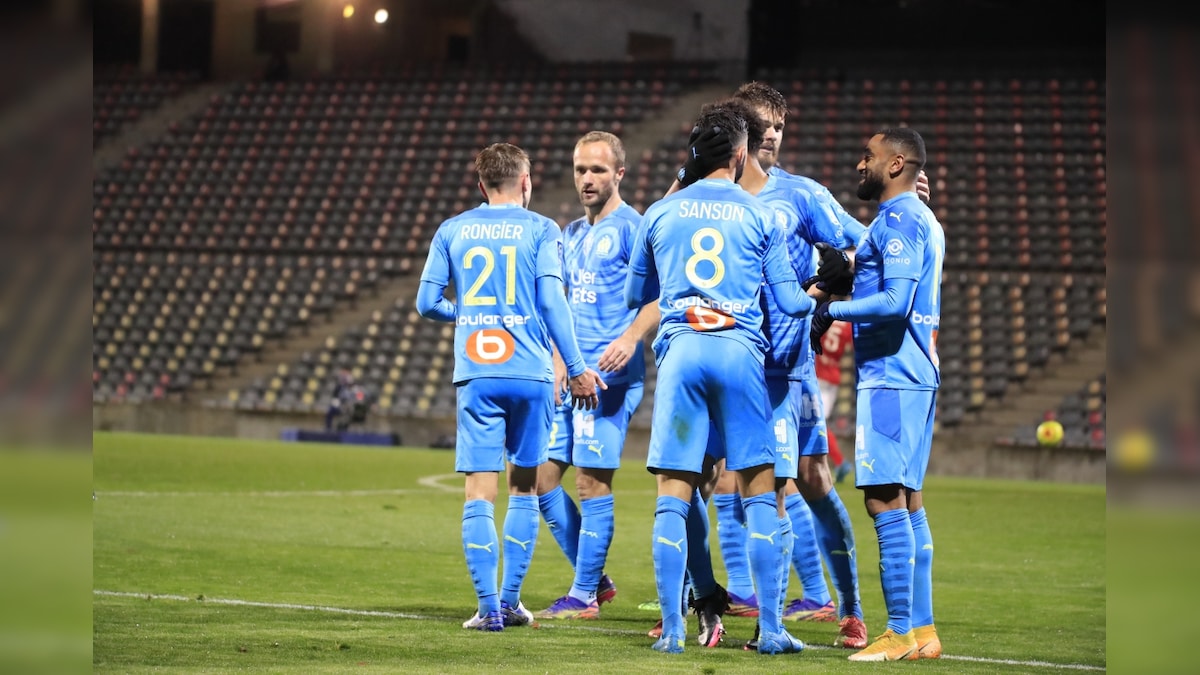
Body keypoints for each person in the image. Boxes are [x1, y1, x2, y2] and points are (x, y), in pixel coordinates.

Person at [625, 102, 813, 655]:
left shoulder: (661, 213)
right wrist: (825, 287)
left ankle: (676, 631)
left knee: (673, 497)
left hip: (682, 351)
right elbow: (789, 303)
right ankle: (774, 629)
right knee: (758, 492)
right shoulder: (761, 215)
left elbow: (639, 295)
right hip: (738, 352)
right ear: (739, 154)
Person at [415, 142, 606, 632]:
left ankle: (487, 610)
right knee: (524, 489)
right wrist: (579, 366)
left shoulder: (452, 230)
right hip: (531, 374)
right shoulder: (542, 229)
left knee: (479, 491)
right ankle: (510, 601)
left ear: (481, 185)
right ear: (526, 183)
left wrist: (467, 315)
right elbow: (552, 302)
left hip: (477, 373)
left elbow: (426, 302)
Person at [809, 127, 945, 661]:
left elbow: (893, 301)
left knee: (883, 500)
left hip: (891, 374)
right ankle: (925, 632)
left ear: (897, 165)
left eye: (869, 156)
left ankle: (898, 634)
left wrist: (827, 311)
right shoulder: (919, 218)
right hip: (914, 373)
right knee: (909, 504)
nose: (860, 164)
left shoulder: (899, 219)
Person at [533, 131, 661, 621]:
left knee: (590, 483)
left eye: (598, 170)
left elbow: (659, 296)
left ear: (619, 175)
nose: (587, 179)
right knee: (540, 479)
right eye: (581, 169)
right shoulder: (570, 234)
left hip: (609, 380)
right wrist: (561, 361)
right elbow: (561, 303)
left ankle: (584, 594)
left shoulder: (635, 228)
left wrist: (630, 339)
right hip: (570, 375)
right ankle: (595, 579)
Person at [816, 320, 854, 482]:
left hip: (818, 373)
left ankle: (839, 462)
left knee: (817, 423)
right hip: (833, 375)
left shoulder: (826, 314)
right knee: (818, 422)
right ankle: (839, 463)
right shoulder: (848, 324)